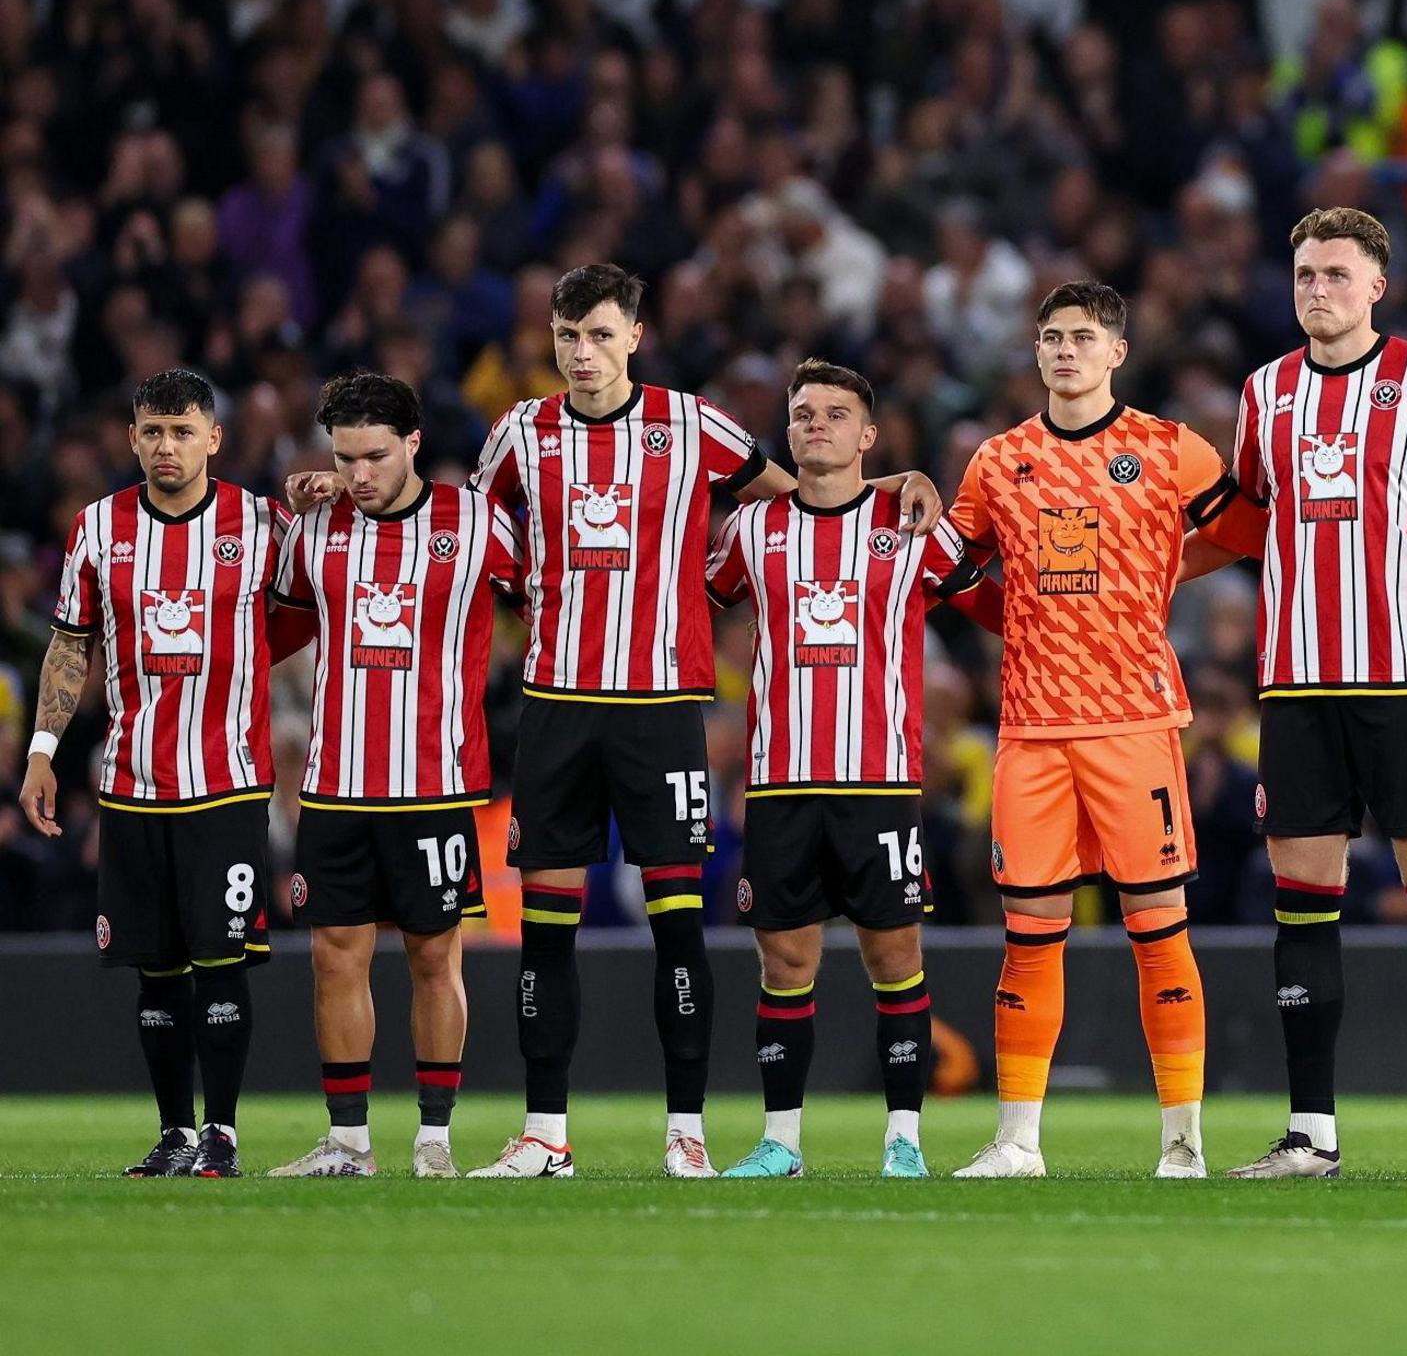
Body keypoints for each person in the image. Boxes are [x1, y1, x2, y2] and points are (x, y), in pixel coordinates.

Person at [285, 262, 936, 1178]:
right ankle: (545, 1132)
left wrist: (896, 477)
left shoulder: (693, 425)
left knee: (679, 927)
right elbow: (457, 521)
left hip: (661, 709)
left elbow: (807, 497)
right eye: (565, 337)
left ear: (635, 335)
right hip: (556, 706)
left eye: (598, 335)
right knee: (547, 929)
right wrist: (342, 478)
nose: (581, 354)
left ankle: (688, 1135)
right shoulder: (520, 430)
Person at [943, 281, 1262, 1179]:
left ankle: (1183, 1142)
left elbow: (1241, 532)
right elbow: (954, 569)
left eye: (1083, 337)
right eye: (1051, 338)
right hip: (1034, 726)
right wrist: (1012, 618)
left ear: (1117, 350)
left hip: (1133, 721)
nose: (1065, 352)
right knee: (1029, 933)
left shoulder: (1167, 449)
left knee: (1158, 929)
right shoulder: (999, 460)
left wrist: (1161, 572)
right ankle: (1017, 1141)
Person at [1217, 207, 1407, 1180]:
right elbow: (1251, 509)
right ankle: (1311, 1134)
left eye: (1336, 274)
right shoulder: (1262, 395)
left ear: (1377, 284)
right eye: (1303, 274)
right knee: (1302, 909)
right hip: (1296, 687)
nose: (1316, 290)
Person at [704, 359, 996, 1179]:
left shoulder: (911, 526)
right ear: (788, 430)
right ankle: (780, 1142)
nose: (816, 425)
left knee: (894, 955)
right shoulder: (751, 533)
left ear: (868, 436)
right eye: (803, 414)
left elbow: (982, 605)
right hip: (781, 782)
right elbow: (701, 605)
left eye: (836, 414)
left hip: (881, 780)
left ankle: (904, 1137)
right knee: (785, 962)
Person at [19, 369, 301, 1178]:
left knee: (220, 958)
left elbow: (311, 603)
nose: (165, 446)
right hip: (133, 784)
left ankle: (223, 1133)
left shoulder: (260, 524)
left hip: (229, 782)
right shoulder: (98, 530)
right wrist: (41, 752)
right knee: (155, 969)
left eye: (182, 431)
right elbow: (70, 643)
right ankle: (175, 1132)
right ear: (132, 438)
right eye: (152, 431)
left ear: (214, 438)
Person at [265, 370, 519, 1179]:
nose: (358, 476)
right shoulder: (314, 530)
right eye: (343, 459)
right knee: (334, 955)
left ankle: (435, 1140)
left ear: (412, 444)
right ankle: (347, 1143)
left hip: (435, 785)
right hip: (335, 783)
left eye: (374, 456)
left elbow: (551, 597)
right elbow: (280, 625)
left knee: (433, 958)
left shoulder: (476, 523)